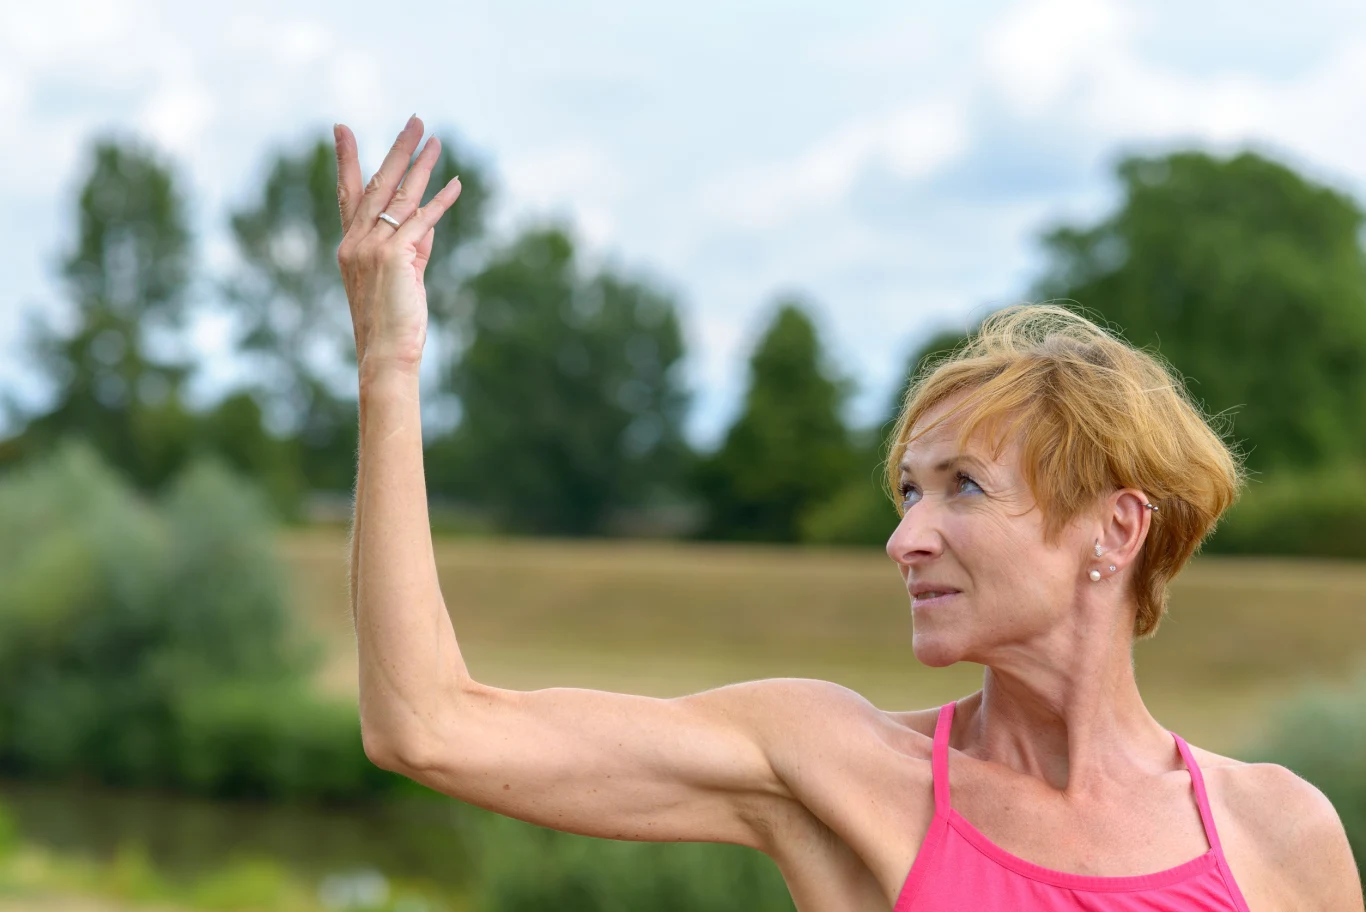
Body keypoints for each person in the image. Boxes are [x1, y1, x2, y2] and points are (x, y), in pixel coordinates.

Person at [333, 115, 1364, 911]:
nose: (905, 538)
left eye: (964, 487)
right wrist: (389, 368)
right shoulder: (837, 768)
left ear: (1118, 528)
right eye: (908, 491)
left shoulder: (1280, 834)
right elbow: (429, 726)